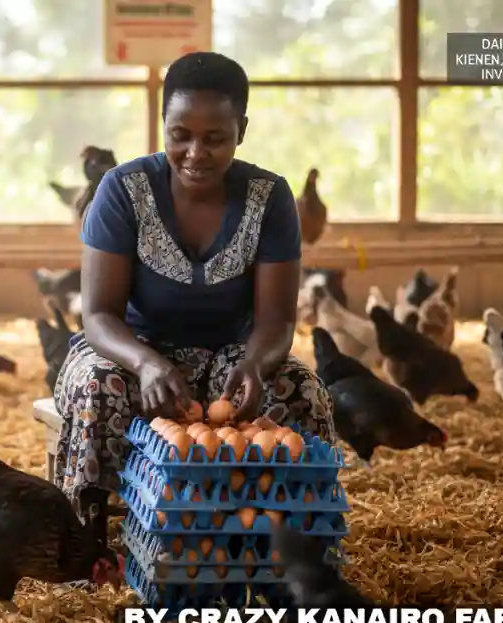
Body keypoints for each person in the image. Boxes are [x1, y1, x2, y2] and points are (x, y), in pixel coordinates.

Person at [52, 51, 336, 536]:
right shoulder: (123, 191)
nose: (195, 153)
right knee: (100, 389)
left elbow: (276, 322)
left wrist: (255, 363)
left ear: (241, 130)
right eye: (180, 135)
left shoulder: (269, 198)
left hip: (231, 355)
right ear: (163, 124)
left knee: (302, 390)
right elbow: (98, 315)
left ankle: (293, 542)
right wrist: (145, 363)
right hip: (127, 351)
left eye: (215, 138)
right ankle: (86, 541)